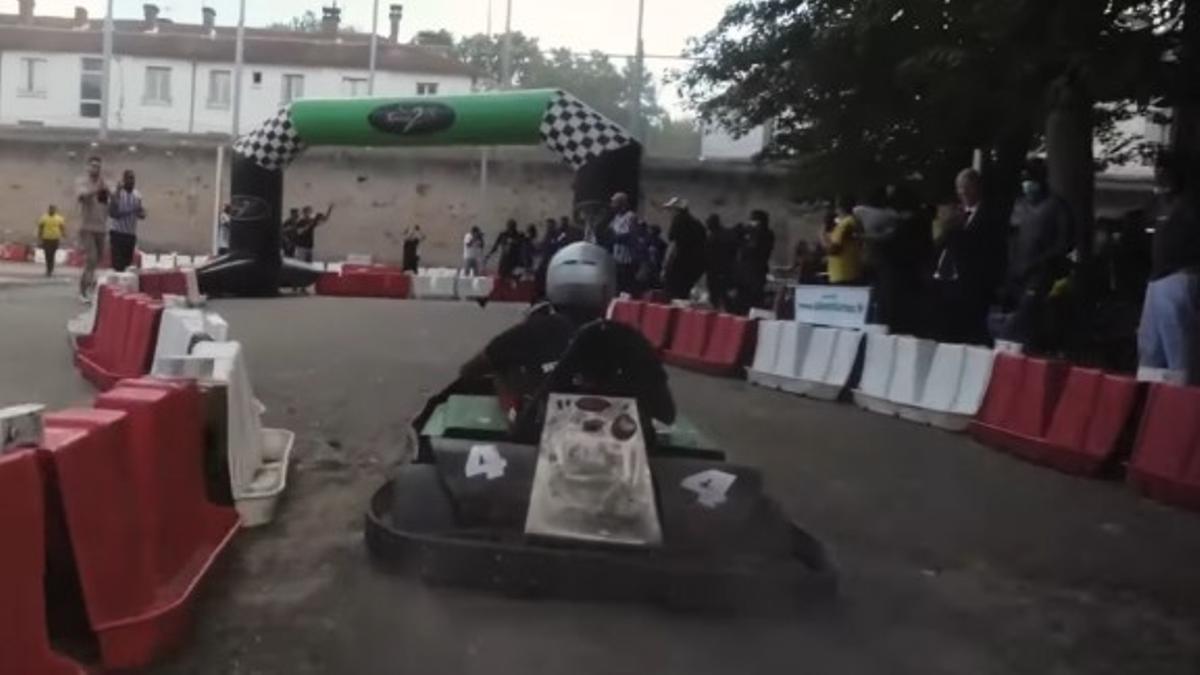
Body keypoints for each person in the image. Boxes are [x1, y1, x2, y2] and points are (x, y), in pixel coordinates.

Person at [459, 241, 675, 443]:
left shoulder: (530, 331)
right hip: (623, 453)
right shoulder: (630, 340)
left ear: (553, 281)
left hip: (540, 445)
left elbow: (470, 369)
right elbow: (666, 412)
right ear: (607, 287)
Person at [1138, 150, 1200, 382]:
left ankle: (1182, 399)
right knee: (1150, 344)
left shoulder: (1191, 204)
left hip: (1180, 276)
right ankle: (1150, 397)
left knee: (1178, 346)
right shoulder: (1160, 203)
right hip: (1157, 279)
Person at [999, 158, 1074, 349]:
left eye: (1031, 179)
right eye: (1025, 179)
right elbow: (1012, 238)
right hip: (1017, 273)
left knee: (1026, 319)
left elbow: (1065, 243)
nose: (1027, 184)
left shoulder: (1056, 207)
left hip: (1041, 274)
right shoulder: (1020, 206)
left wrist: (1041, 262)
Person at [931, 169, 998, 344]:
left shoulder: (989, 214)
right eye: (959, 188)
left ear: (977, 187)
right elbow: (938, 242)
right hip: (946, 278)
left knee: (968, 330)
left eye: (967, 187)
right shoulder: (955, 214)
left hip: (971, 282)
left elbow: (987, 247)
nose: (963, 192)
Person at [75, 155, 110, 301]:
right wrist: (96, 189)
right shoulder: (83, 182)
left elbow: (105, 205)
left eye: (98, 166)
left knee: (98, 260)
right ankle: (83, 291)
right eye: (93, 166)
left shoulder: (104, 184)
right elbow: (82, 197)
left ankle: (90, 283)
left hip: (101, 227)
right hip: (87, 227)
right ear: (88, 167)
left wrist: (111, 194)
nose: (95, 168)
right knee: (91, 259)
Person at [730, 209, 776, 314]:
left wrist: (748, 233)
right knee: (742, 301)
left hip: (755, 273)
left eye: (753, 220)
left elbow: (753, 249)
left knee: (752, 302)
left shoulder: (765, 234)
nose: (751, 223)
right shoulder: (751, 233)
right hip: (746, 274)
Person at [661, 197, 707, 300]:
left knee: (672, 294)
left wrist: (665, 266)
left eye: (671, 210)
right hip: (695, 266)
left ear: (677, 210)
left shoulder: (678, 220)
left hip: (679, 264)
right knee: (684, 295)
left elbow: (673, 245)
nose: (670, 213)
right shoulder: (697, 223)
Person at [107, 169, 146, 273]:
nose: (132, 181)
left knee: (127, 265)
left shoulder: (137, 195)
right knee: (118, 265)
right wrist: (131, 211)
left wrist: (140, 212)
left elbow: (142, 214)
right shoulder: (117, 194)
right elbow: (113, 214)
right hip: (117, 234)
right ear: (123, 180)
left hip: (130, 235)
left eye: (133, 178)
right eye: (129, 178)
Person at [824, 196, 864, 285]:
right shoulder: (851, 222)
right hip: (848, 272)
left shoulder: (846, 224)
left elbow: (834, 250)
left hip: (842, 273)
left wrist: (822, 237)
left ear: (839, 208)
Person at [609, 192, 639, 294]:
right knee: (618, 286)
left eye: (614, 203)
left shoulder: (630, 216)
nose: (612, 205)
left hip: (627, 258)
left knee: (627, 286)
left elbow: (627, 236)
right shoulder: (616, 217)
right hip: (617, 257)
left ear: (621, 204)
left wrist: (614, 237)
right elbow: (610, 232)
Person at [704, 214, 735, 309]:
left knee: (715, 296)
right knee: (725, 295)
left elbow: (708, 254)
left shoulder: (713, 237)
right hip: (727, 270)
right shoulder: (728, 234)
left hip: (715, 270)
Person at [36, 204, 66, 277]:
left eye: (53, 209)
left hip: (55, 239)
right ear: (48, 210)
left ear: (55, 210)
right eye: (51, 209)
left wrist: (64, 234)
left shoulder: (59, 218)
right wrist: (39, 237)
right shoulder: (44, 218)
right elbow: (41, 227)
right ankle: (48, 269)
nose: (52, 210)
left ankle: (51, 269)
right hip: (46, 238)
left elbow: (62, 227)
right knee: (47, 254)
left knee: (52, 254)